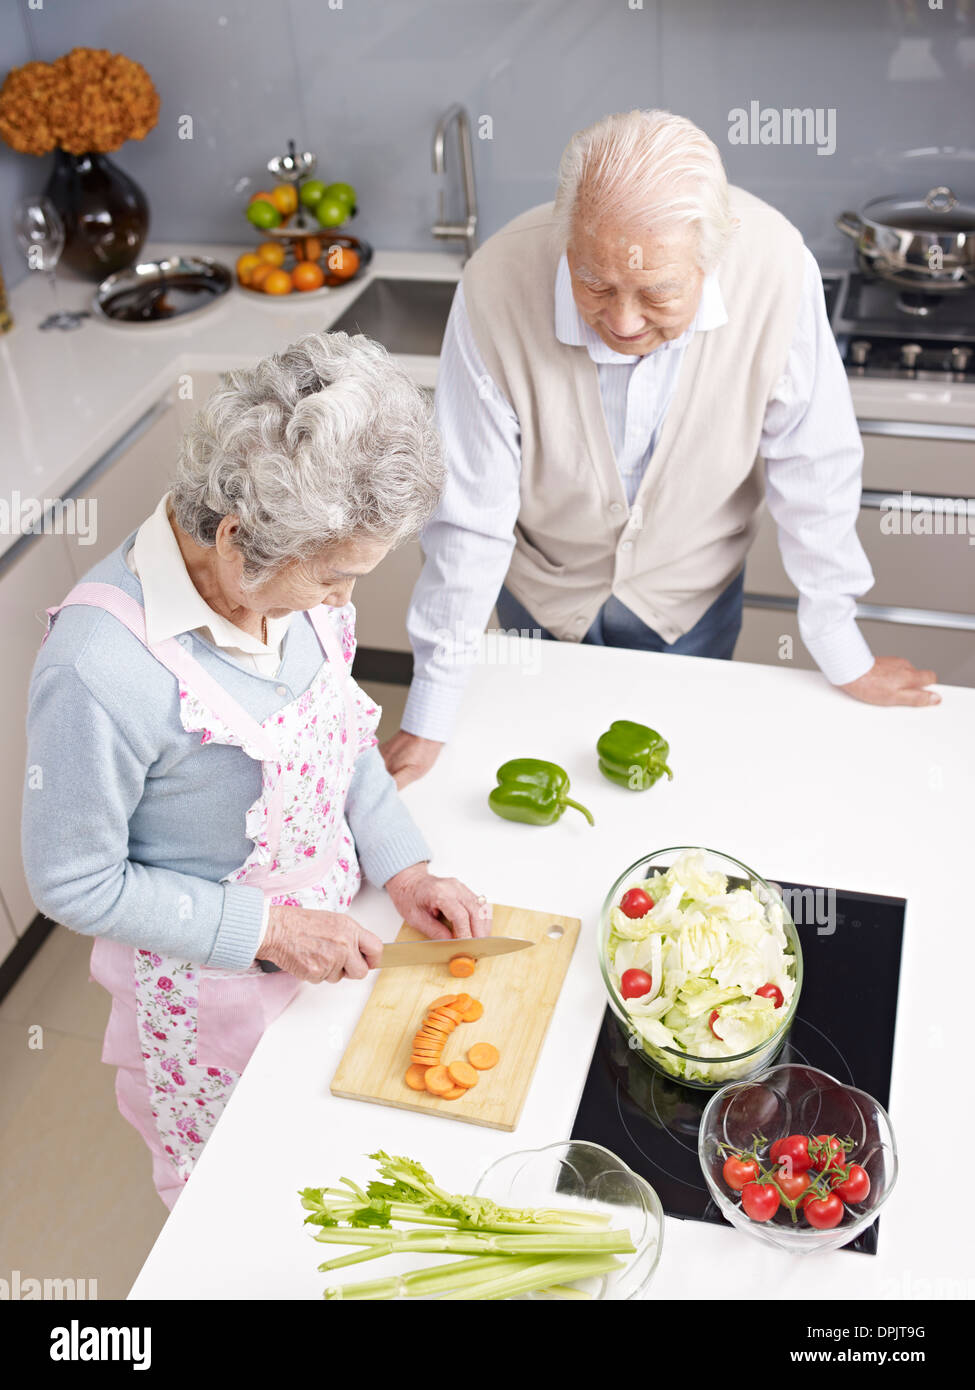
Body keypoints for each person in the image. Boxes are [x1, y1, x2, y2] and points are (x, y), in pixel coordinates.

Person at [22, 331, 488, 1208]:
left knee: (333, 1178)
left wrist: (405, 865)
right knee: (240, 1206)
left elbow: (340, 740)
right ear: (237, 538)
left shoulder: (290, 589)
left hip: (333, 946)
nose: (344, 604)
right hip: (212, 997)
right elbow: (73, 881)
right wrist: (272, 932)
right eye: (335, 579)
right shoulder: (99, 666)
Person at [381, 108, 939, 790]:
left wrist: (838, 645)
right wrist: (432, 706)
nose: (622, 320)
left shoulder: (774, 268)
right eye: (594, 283)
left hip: (692, 593)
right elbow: (469, 512)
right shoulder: (495, 283)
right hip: (540, 595)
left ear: (716, 252)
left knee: (674, 787)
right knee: (547, 775)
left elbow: (814, 466)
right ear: (565, 239)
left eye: (657, 292)